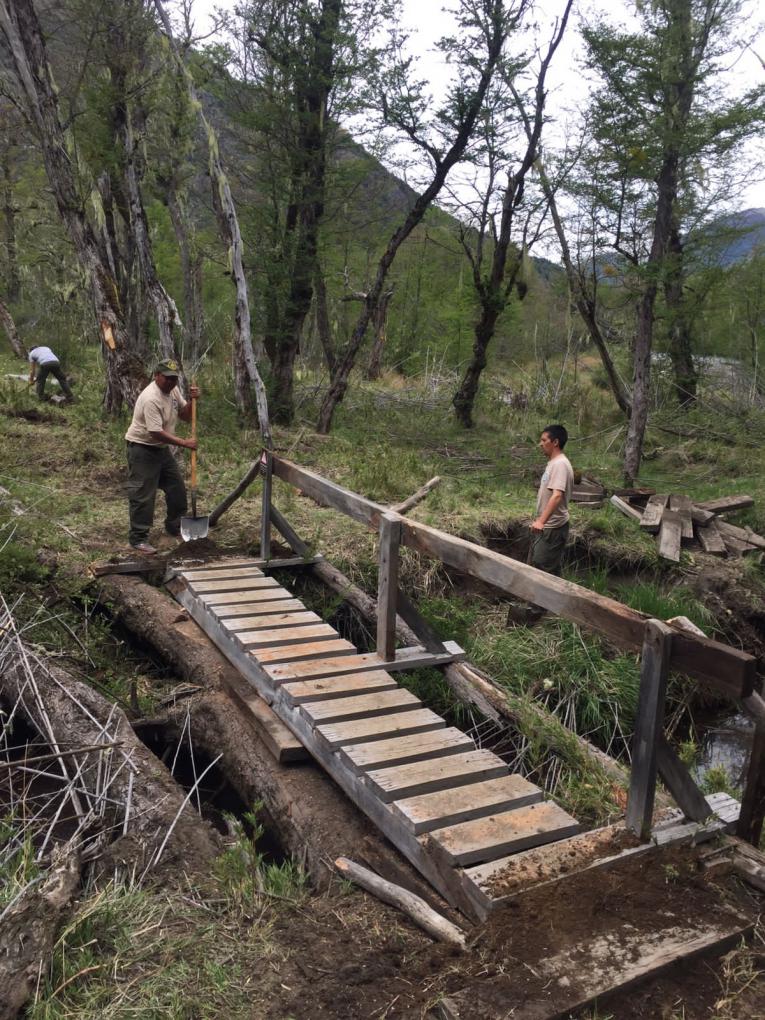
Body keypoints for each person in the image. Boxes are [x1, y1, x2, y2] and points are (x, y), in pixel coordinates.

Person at [124, 359, 198, 554]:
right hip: (142, 448)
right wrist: (184, 443)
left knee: (177, 489)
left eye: (174, 378)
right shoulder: (151, 398)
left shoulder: (173, 390)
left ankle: (174, 527)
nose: (171, 382)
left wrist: (192, 401)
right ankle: (138, 538)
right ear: (156, 375)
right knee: (143, 495)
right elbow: (155, 432)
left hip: (161, 450)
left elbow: (184, 414)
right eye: (167, 378)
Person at [530, 423, 574, 576]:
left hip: (553, 528)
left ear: (555, 442)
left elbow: (557, 496)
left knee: (544, 570)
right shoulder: (554, 463)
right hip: (549, 526)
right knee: (547, 567)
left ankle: (544, 600)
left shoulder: (560, 464)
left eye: (544, 440)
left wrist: (541, 521)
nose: (540, 444)